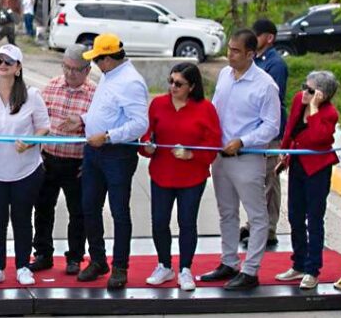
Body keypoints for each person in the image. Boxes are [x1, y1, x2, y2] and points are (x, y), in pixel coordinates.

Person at [199, 29, 281, 290]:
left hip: (247, 158)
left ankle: (250, 270)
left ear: (251, 54)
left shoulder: (266, 85)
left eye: (235, 51)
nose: (229, 55)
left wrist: (242, 141)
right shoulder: (224, 74)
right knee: (226, 212)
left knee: (257, 216)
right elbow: (214, 108)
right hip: (220, 157)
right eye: (229, 49)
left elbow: (271, 127)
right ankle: (229, 261)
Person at [71, 34, 148, 289]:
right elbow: (105, 111)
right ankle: (97, 259)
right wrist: (83, 120)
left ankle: (120, 266)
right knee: (89, 206)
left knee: (118, 212)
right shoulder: (108, 75)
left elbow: (139, 123)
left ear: (109, 58)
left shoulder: (131, 82)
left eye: (97, 60)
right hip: (94, 151)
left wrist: (107, 136)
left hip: (117, 154)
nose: (94, 65)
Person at [0, 45, 49, 286]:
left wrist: (30, 142)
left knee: (22, 218)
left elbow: (44, 127)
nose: (2, 65)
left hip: (25, 170)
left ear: (18, 67)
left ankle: (23, 265)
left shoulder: (32, 95)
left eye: (8, 61)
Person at [140, 63, 221, 291]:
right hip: (161, 173)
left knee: (187, 222)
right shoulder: (158, 104)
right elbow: (146, 135)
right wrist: (147, 146)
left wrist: (191, 154)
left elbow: (213, 145)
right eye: (170, 81)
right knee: (159, 221)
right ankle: (164, 265)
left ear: (192, 86)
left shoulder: (205, 109)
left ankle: (185, 268)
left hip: (191, 177)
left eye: (178, 83)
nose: (172, 86)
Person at [31, 45, 95, 275]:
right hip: (48, 159)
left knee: (77, 212)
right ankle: (42, 253)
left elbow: (97, 131)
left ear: (87, 70)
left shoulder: (94, 95)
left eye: (76, 70)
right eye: (66, 67)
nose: (70, 74)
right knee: (43, 208)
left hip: (76, 163)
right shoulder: (51, 87)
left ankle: (75, 257)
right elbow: (38, 122)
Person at [273, 71, 340, 290]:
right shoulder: (298, 101)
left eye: (310, 90)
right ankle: (299, 263)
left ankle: (313, 269)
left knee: (314, 218)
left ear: (322, 95)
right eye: (304, 87)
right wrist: (284, 152)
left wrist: (313, 108)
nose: (304, 92)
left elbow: (318, 138)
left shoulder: (329, 113)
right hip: (298, 163)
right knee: (294, 215)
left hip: (317, 168)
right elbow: (291, 127)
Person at [243, 18, 289, 249]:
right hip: (252, 129)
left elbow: (272, 101)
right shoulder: (256, 61)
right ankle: (253, 223)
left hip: (268, 130)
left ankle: (269, 227)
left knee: (270, 179)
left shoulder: (275, 64)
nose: (254, 38)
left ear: (269, 38)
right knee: (254, 179)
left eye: (257, 34)